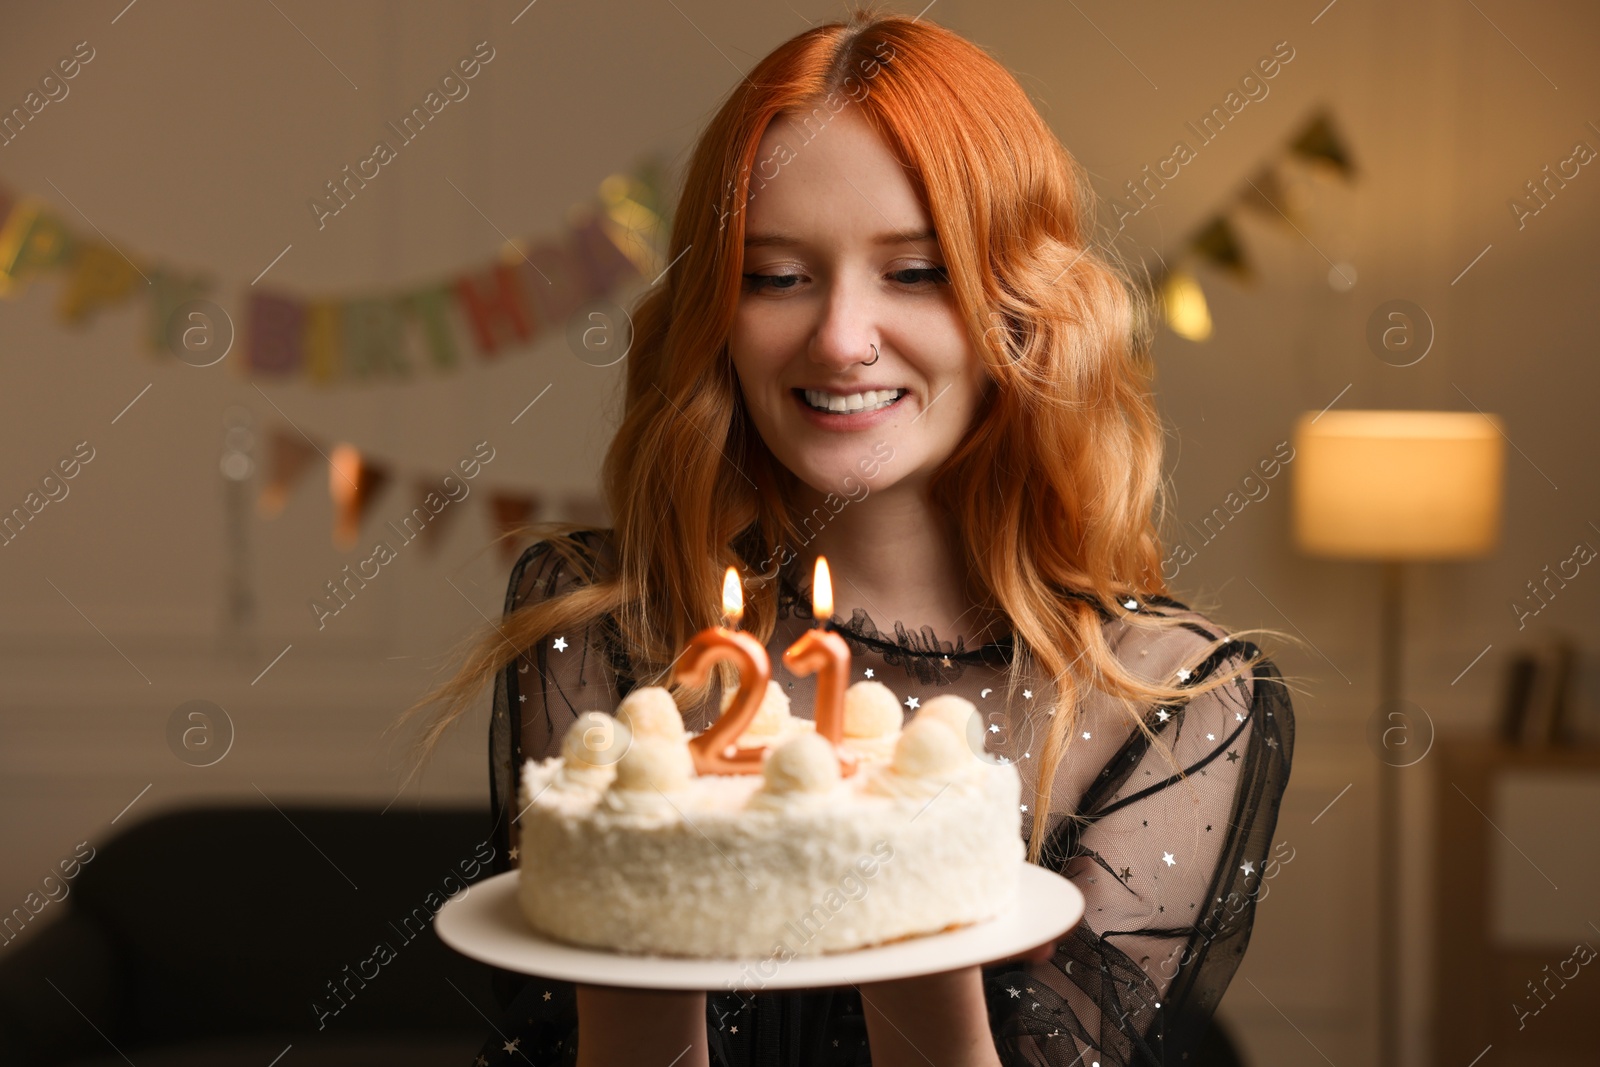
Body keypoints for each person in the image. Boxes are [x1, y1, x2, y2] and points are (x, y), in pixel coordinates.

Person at [401, 10, 1294, 1066]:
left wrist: (891, 843)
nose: (837, 337)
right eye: (776, 277)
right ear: (715, 314)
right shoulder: (605, 624)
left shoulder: (1176, 702)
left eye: (914, 272)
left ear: (1017, 308)